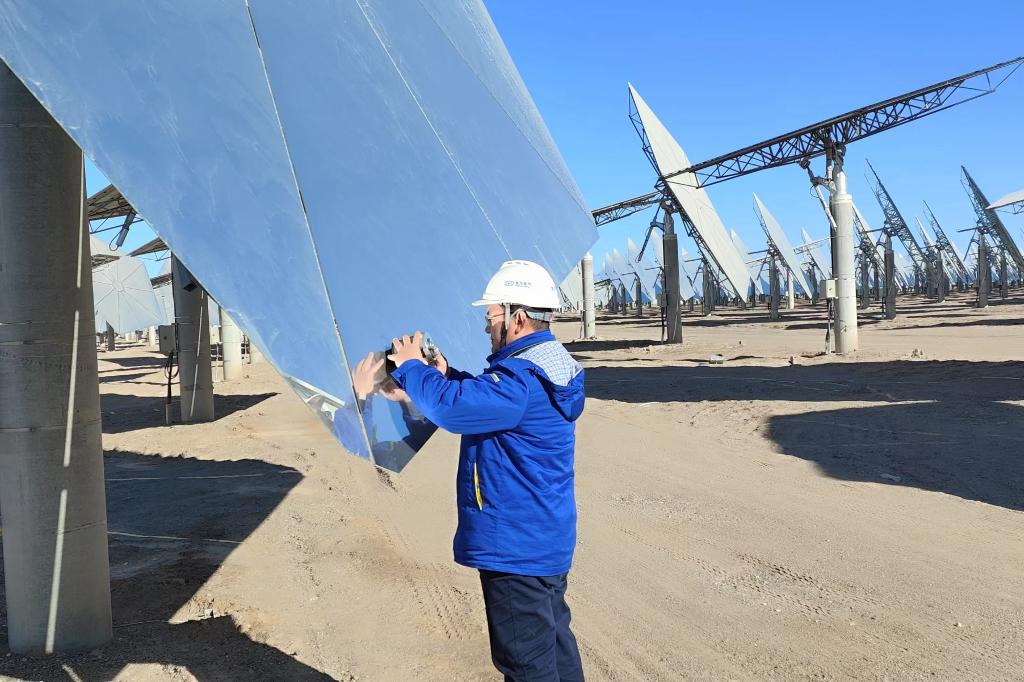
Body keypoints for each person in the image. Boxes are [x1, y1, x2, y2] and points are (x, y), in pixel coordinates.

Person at [389, 260, 586, 681]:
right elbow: (486, 400)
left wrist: (411, 366)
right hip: (543, 541)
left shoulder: (521, 380)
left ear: (518, 318)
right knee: (555, 648)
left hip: (516, 549)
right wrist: (446, 374)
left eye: (492, 317)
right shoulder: (545, 367)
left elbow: (455, 408)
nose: (486, 327)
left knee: (527, 666)